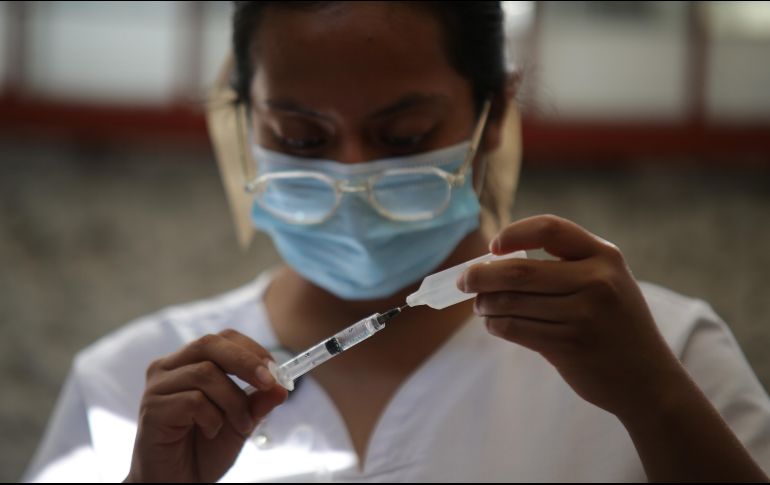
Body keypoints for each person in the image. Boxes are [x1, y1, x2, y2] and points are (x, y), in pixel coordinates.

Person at [24, 2, 770, 482]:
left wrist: (658, 401)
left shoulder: (668, 355)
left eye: (403, 134)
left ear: (496, 116)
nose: (352, 169)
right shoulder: (125, 391)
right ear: (243, 123)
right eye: (301, 136)